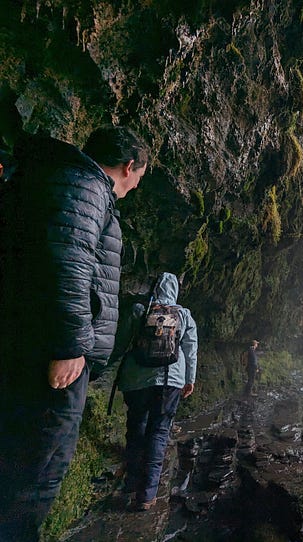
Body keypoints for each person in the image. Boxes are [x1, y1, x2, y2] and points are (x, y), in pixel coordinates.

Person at [0, 125, 149, 540]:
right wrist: (70, 345)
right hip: (56, 357)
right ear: (129, 165)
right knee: (33, 472)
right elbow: (67, 262)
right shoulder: (86, 187)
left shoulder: (74, 183)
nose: (135, 186)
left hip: (48, 348)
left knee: (39, 466)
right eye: (139, 177)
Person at [117, 272, 198, 511]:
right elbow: (190, 350)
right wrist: (189, 379)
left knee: (136, 427)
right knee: (159, 432)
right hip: (170, 381)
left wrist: (105, 366)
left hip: (137, 380)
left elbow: (121, 342)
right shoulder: (183, 315)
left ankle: (131, 481)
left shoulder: (140, 311)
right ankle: (147, 495)